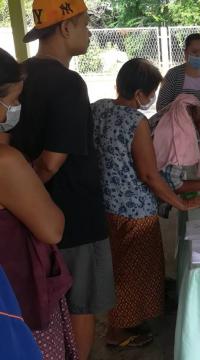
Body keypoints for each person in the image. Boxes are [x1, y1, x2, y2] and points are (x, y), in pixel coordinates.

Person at [10, 1, 115, 359]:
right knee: (80, 305)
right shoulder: (69, 83)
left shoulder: (18, 74)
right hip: (71, 218)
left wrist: (22, 203)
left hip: (26, 220)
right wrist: (34, 194)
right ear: (66, 28)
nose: (89, 32)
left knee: (46, 308)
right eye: (85, 25)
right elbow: (51, 163)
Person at [91, 58, 200, 348]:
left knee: (118, 267)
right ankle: (119, 332)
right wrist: (179, 204)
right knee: (135, 273)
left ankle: (124, 321)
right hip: (135, 212)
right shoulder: (136, 121)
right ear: (139, 95)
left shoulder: (98, 108)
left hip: (105, 205)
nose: (152, 98)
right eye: (152, 92)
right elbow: (148, 174)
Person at [0, 47, 78, 359]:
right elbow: (52, 228)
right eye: (13, 99)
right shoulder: (6, 162)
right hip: (16, 299)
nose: (16, 108)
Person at [156, 33, 200, 156]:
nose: (199, 55)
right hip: (178, 144)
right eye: (194, 51)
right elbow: (161, 106)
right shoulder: (173, 75)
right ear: (185, 53)